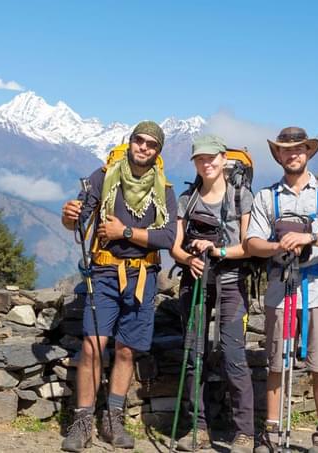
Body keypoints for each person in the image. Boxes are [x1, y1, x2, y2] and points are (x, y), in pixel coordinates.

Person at [60, 121, 178, 452]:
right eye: (138, 141)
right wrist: (68, 216)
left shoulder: (164, 188)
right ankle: (82, 423)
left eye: (151, 144)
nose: (143, 147)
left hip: (143, 276)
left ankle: (113, 420)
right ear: (129, 143)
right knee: (92, 346)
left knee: (127, 349)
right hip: (105, 272)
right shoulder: (103, 176)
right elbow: (79, 218)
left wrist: (124, 232)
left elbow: (167, 238)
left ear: (158, 152)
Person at [246, 127, 318, 453]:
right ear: (277, 155)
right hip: (280, 288)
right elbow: (251, 243)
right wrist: (279, 244)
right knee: (276, 364)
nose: (293, 154)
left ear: (308, 152)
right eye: (285, 150)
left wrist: (310, 238)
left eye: (299, 149)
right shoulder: (266, 197)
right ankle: (272, 433)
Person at [170, 135, 255, 453]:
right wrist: (188, 258)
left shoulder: (240, 196)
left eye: (211, 157)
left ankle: (244, 432)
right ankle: (198, 428)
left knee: (234, 358)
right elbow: (175, 247)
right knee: (194, 357)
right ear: (194, 162)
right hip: (195, 283)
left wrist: (216, 249)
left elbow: (249, 246)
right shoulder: (187, 199)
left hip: (231, 282)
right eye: (200, 159)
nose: (206, 163)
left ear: (223, 158)